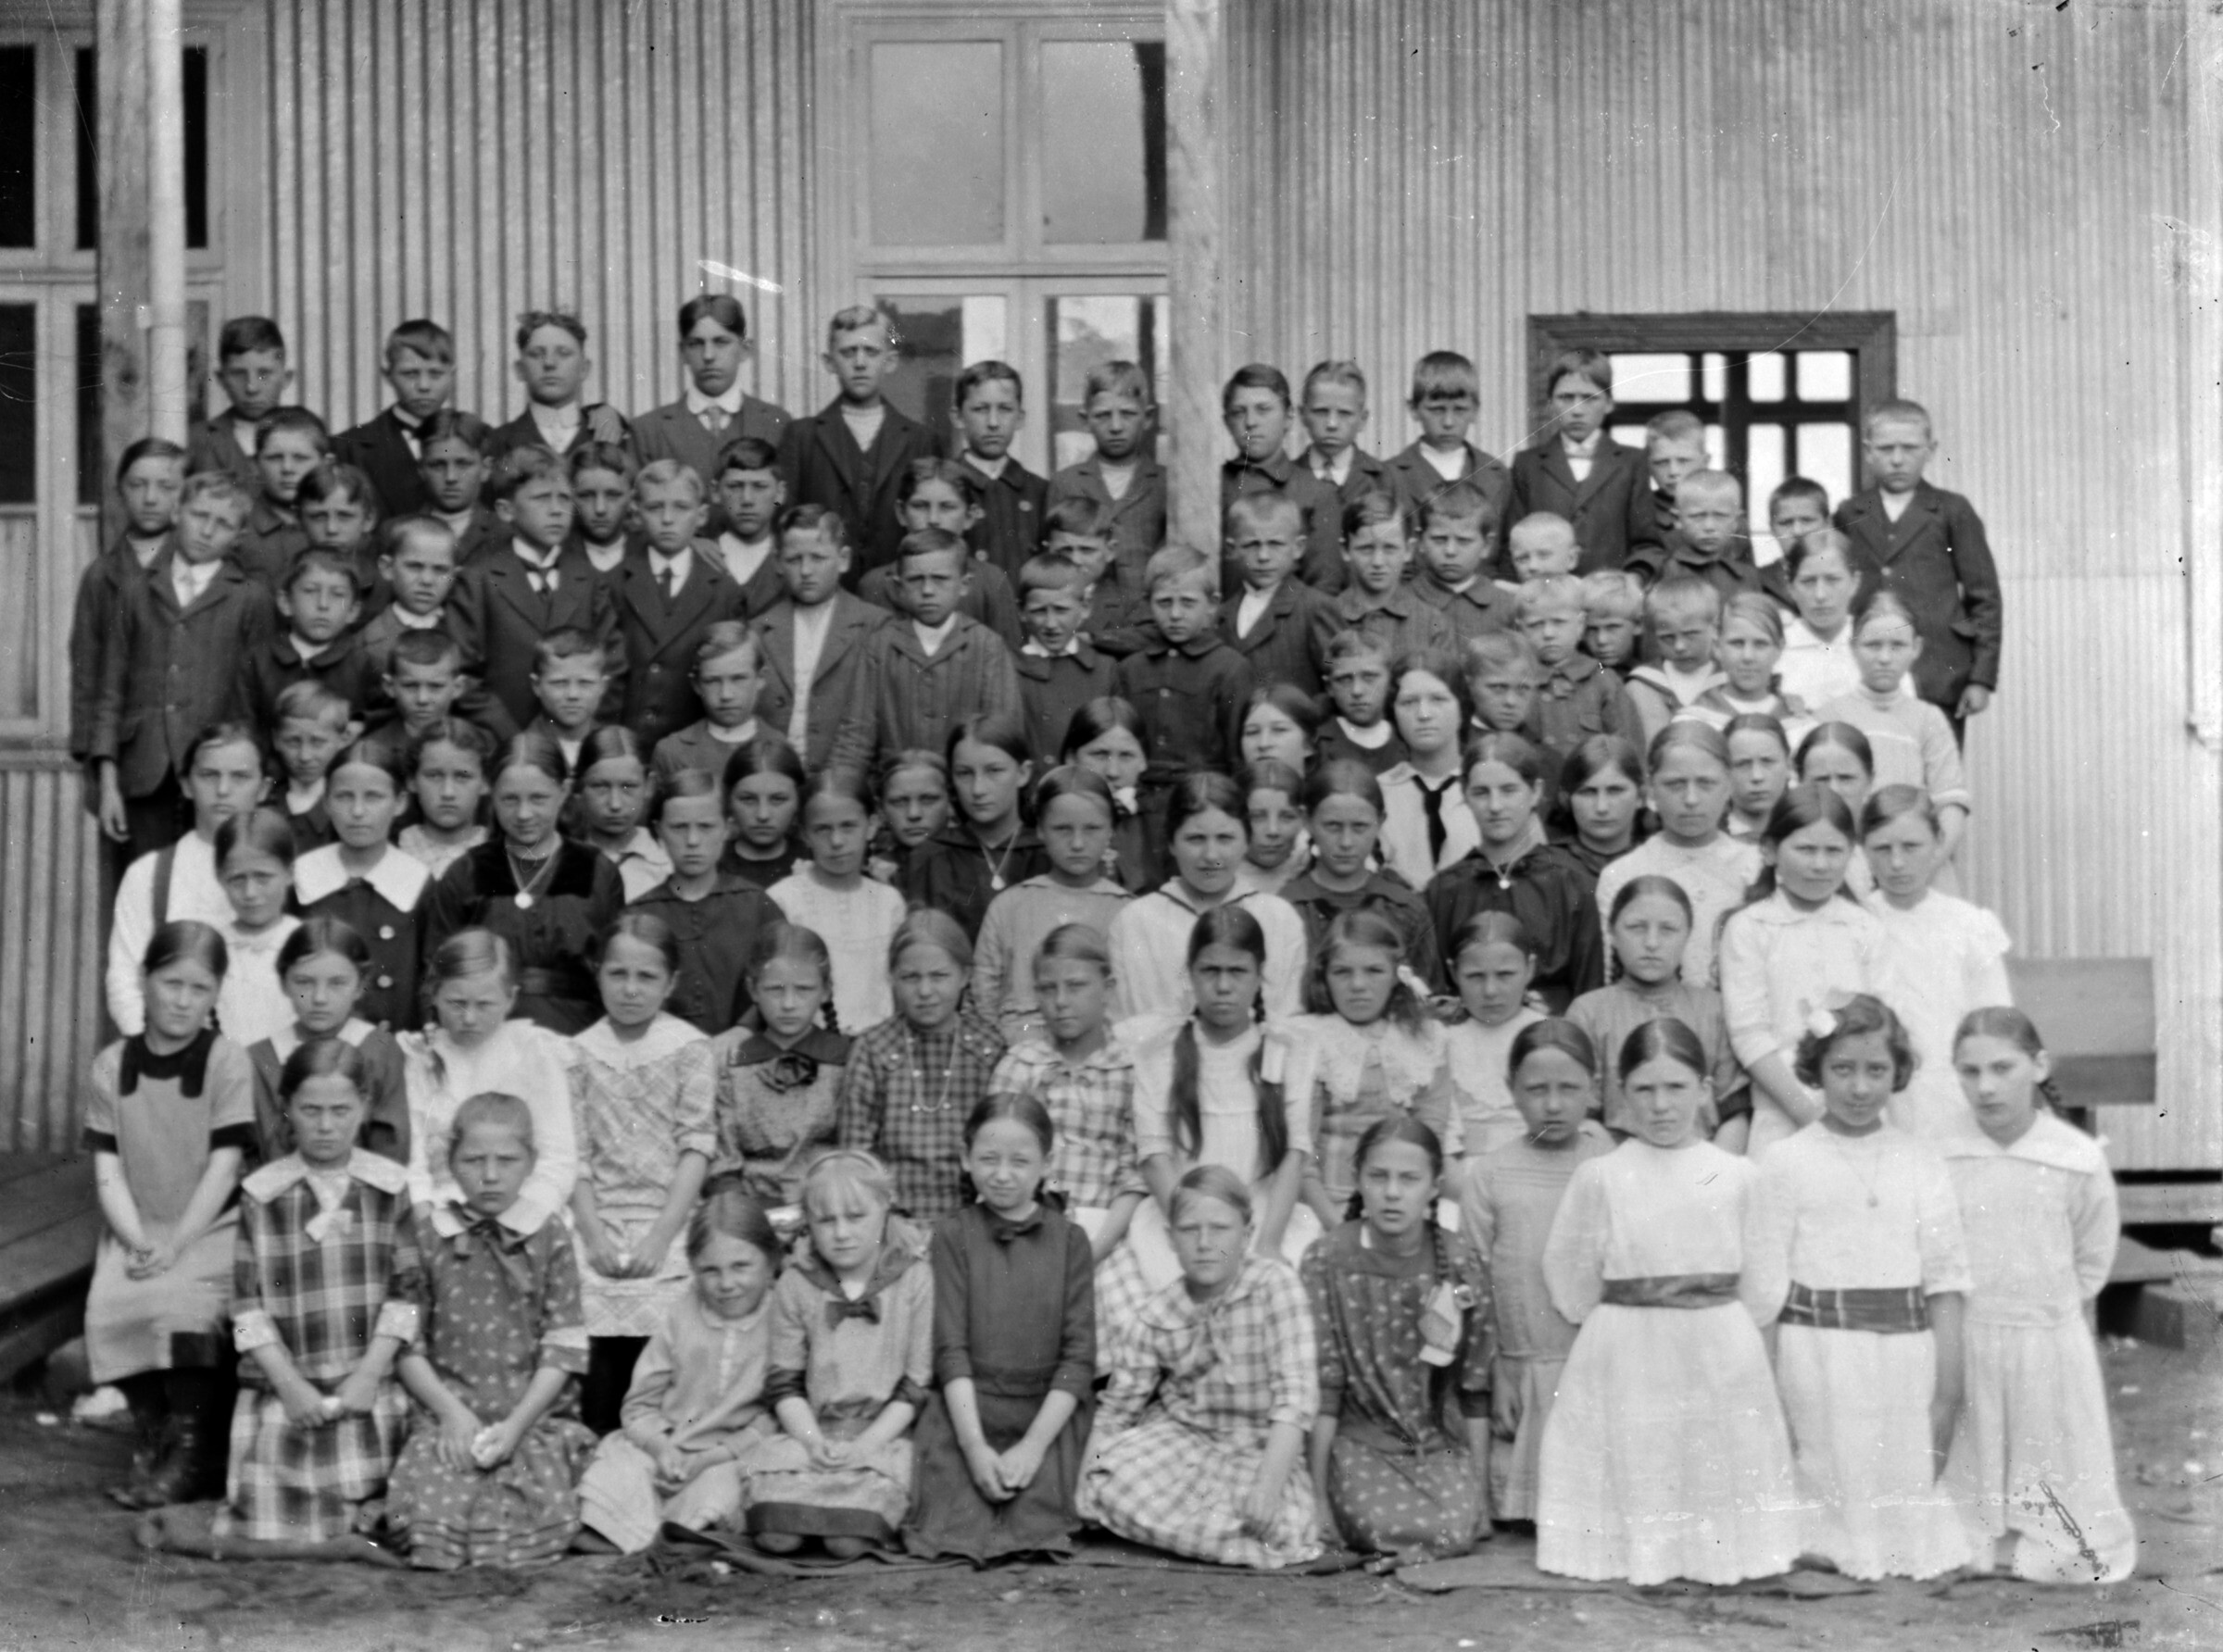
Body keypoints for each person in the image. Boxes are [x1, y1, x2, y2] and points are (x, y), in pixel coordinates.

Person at [1535, 1019, 1798, 1584]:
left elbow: (1763, 1275)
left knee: (1711, 1445)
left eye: (1676, 1087)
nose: (1660, 1105)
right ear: (1621, 1093)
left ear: (1704, 1089)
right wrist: (1614, 1317)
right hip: (1627, 1341)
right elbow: (1570, 1270)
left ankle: (1713, 1553)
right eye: (1644, 1089)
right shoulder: (1602, 1176)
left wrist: (1723, 1325)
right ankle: (1638, 1553)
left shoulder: (1737, 1175)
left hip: (1716, 1340)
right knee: (1640, 1445)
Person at [1745, 994, 1974, 1579]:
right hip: (1816, 1350)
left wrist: (1948, 1389)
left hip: (1903, 1351)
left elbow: (1945, 1278)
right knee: (1827, 1457)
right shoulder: (1786, 1160)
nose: (1859, 1087)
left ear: (1897, 1072)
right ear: (1816, 1070)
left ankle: (1893, 1544)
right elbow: (1765, 1288)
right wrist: (1766, 1386)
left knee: (1898, 1467)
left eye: (1876, 1070)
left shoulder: (1919, 1160)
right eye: (1842, 1069)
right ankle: (1829, 1542)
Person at [1942, 1008, 2137, 1583]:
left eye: (2003, 1068)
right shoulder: (1941, 1152)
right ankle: (1981, 1536)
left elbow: (2094, 1253)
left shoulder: (2074, 1156)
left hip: (2048, 1338)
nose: (1986, 1086)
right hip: (1968, 1331)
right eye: (1970, 1071)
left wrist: (2049, 1311)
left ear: (2039, 1066)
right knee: (1971, 1449)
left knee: (2051, 1450)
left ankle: (2042, 1538)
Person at [214, 1039, 421, 1546]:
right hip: (290, 1387)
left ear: (364, 1107)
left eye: (340, 1111)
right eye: (311, 1111)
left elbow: (408, 1294)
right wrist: (289, 1385)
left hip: (364, 1385)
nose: (326, 1126)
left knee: (394, 1507)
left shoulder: (389, 1188)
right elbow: (245, 1307)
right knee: (268, 1524)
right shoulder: (263, 1193)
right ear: (287, 1108)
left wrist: (368, 1375)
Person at [388, 1092, 598, 1569]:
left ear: (531, 1163)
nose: (489, 1175)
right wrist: (451, 1415)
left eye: (506, 1161)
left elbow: (562, 1348)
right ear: (450, 1163)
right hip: (450, 1414)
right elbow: (406, 1343)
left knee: (531, 1501)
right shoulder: (429, 1235)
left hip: (528, 1418)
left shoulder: (549, 1235)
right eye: (473, 1160)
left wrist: (516, 1425)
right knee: (431, 1505)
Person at [86, 921, 256, 1509]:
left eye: (199, 988)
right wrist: (136, 1240)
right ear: (144, 981)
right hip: (140, 1224)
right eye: (171, 983)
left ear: (216, 994)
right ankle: (154, 1438)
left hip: (209, 1225)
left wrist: (177, 1244)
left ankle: (192, 1451)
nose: (183, 1000)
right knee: (111, 1305)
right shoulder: (112, 1065)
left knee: (185, 1306)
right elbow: (108, 1167)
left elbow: (225, 1167)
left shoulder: (226, 1062)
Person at [1079, 1166, 1322, 1570]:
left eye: (1220, 1229)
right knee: (1108, 1475)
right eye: (1190, 1230)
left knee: (1281, 1520)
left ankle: (1204, 1532)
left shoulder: (1275, 1285)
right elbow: (1118, 1410)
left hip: (1261, 1449)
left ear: (1246, 1234)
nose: (1205, 1244)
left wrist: (1267, 1488)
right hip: (1187, 1444)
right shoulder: (1156, 1314)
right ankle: (1231, 1540)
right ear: (1170, 1238)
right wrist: (1084, 1482)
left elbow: (1296, 1397)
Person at [904, 1095, 1096, 1563]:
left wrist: (1033, 1447)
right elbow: (950, 1351)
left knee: (1036, 1522)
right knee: (956, 1521)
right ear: (965, 1158)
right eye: (989, 1159)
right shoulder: (953, 1235)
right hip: (969, 1411)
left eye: (1020, 1161)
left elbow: (1078, 1358)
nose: (1003, 1174)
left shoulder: (1071, 1241)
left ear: (1047, 1163)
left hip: (1045, 1417)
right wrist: (973, 1447)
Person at [1111, 906, 1318, 1327]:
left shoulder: (1287, 1049)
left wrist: (1268, 1242)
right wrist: (1195, 1232)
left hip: (1264, 1215)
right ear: (1190, 973)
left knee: (1278, 1288)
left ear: (1259, 975)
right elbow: (1154, 1157)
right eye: (1210, 971)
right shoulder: (1159, 1052)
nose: (1223, 986)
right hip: (1181, 1215)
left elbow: (1294, 1155)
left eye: (1237, 972)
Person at [1302, 1118, 1493, 1558]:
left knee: (1456, 1527)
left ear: (1434, 1187)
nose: (1392, 1193)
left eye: (1409, 1179)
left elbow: (1475, 1387)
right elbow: (1324, 1390)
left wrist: (1481, 1496)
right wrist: (1317, 1499)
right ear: (1358, 1180)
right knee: (1380, 1520)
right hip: (1358, 1439)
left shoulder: (1459, 1262)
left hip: (1433, 1441)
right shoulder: (1326, 1260)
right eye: (1378, 1177)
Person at [565, 914, 715, 1434]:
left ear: (671, 983)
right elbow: (574, 1153)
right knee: (591, 1324)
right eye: (618, 974)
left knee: (670, 1322)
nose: (631, 990)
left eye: (647, 977)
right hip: (597, 1217)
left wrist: (660, 1236)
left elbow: (696, 1146)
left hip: (668, 1218)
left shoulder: (689, 1048)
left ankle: (663, 1442)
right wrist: (593, 1233)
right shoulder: (577, 1052)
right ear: (598, 974)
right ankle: (598, 1441)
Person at [743, 1149, 934, 1557]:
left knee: (846, 1540)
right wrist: (813, 1442)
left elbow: (917, 1385)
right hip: (812, 1432)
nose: (841, 1233)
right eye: (826, 1221)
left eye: (856, 1216)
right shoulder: (797, 1283)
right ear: (807, 1223)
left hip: (884, 1435)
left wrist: (865, 1446)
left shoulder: (914, 1279)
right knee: (776, 1534)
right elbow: (784, 1383)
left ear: (885, 1207)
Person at [1459, 1020, 1614, 1522]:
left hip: (1595, 1360)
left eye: (1569, 1088)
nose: (1553, 1105)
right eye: (1536, 1090)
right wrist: (1496, 1370)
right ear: (1511, 1090)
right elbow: (1474, 1280)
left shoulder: (1610, 1165)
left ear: (1593, 1087)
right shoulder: (1490, 1174)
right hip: (1519, 1361)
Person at [575, 1189, 783, 1554]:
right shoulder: (680, 1317)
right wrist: (661, 1448)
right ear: (693, 1268)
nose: (726, 1284)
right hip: (669, 1447)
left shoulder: (783, 1320)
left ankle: (673, 1538)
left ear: (770, 1262)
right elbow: (639, 1407)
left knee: (728, 1488)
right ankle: (638, 1538)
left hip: (731, 1455)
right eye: (710, 1270)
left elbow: (776, 1415)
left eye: (741, 1266)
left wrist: (711, 1458)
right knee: (616, 1469)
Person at [93, 474, 272, 860]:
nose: (207, 531)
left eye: (223, 524)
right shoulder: (135, 590)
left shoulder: (250, 598)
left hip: (219, 774)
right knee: (146, 878)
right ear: (176, 512)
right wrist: (108, 785)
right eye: (199, 515)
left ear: (239, 536)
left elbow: (254, 695)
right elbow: (110, 692)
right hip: (144, 773)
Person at [1716, 786, 1885, 1156]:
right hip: (1782, 1115)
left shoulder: (1864, 928)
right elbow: (1749, 1035)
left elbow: (1882, 1025)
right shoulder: (1750, 928)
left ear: (1851, 853)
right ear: (1770, 850)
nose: (1820, 864)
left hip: (1859, 1109)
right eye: (1806, 849)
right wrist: (1810, 1117)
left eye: (1834, 851)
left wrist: (1851, 1110)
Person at [425, 732, 623, 1035]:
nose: (523, 814)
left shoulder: (597, 870)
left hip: (577, 1034)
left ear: (564, 791)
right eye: (510, 799)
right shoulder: (467, 873)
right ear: (491, 793)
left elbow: (618, 966)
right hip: (485, 1034)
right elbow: (435, 970)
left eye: (538, 798)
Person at [1831, 399, 2003, 733]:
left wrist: (1981, 678)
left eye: (1909, 448)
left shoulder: (1952, 510)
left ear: (1931, 450)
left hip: (1938, 674)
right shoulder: (1850, 512)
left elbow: (1985, 599)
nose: (1897, 459)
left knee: (1934, 758)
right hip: (1867, 673)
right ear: (1868, 452)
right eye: (1886, 449)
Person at [986, 923, 1147, 1279]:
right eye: (1048, 989)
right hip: (1024, 1230)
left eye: (1076, 986)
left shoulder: (1130, 1071)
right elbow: (995, 1161)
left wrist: (1093, 1252)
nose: (1060, 1001)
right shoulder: (1021, 1065)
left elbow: (1135, 1178)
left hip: (1109, 1239)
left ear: (1108, 989)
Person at [399, 929, 578, 1233]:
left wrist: (519, 1223)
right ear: (434, 995)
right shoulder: (418, 1058)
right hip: (441, 1215)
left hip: (525, 1215)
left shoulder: (533, 1052)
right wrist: (430, 1225)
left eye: (484, 1005)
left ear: (511, 999)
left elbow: (557, 1157)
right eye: (456, 1003)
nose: (469, 1018)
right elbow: (413, 1163)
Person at [1861, 786, 2013, 1142]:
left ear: (1938, 842)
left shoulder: (1968, 925)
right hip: (1877, 1095)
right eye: (1882, 849)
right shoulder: (1856, 924)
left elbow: (1994, 1021)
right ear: (1863, 849)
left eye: (1911, 847)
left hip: (1956, 1093)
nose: (1897, 863)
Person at [837, 909, 1008, 1225]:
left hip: (974, 1221)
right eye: (911, 977)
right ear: (892, 978)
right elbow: (857, 1157)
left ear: (965, 976)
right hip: (891, 1220)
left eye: (939, 976)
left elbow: (1001, 1151)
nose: (925, 991)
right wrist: (889, 1221)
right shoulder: (873, 1050)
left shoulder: (989, 1049)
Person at [1288, 910, 1457, 1226]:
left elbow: (1431, 1135)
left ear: (1397, 975)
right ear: (1324, 975)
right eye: (1342, 972)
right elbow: (1299, 1153)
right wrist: (1337, 1227)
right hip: (1327, 1204)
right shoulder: (1309, 1038)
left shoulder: (1426, 1038)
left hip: (1404, 1202)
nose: (1358, 985)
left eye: (1374, 971)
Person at [105, 723, 271, 1033]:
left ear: (263, 789)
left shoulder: (286, 876)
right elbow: (125, 981)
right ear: (186, 785)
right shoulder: (149, 874)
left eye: (240, 777)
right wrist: (162, 1050)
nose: (223, 790)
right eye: (209, 775)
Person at [1425, 732, 1603, 1013]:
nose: (1495, 806)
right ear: (1464, 794)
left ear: (1536, 792)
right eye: (1481, 792)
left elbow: (1592, 993)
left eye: (1509, 790)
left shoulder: (1573, 884)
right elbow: (1433, 995)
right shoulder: (1444, 891)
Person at [1107, 772, 1310, 1020]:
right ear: (1171, 843)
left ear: (1246, 841)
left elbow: (1289, 1019)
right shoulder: (1136, 921)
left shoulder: (1279, 918)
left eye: (1225, 838)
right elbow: (1122, 1022)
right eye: (1195, 839)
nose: (1211, 855)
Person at [447, 444, 620, 732]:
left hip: (576, 740)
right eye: (541, 498)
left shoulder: (589, 580)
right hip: (500, 740)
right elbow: (461, 673)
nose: (556, 510)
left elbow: (613, 668)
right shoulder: (478, 580)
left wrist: (581, 734)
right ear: (506, 510)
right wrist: (511, 737)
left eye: (564, 498)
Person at [1568, 876, 1743, 1139]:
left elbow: (1735, 1111)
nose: (1651, 942)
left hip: (1703, 1155)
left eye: (1668, 929)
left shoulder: (1715, 1009)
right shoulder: (1588, 1012)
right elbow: (1583, 1116)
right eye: (1636, 927)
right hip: (1617, 1156)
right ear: (1613, 933)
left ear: (1687, 935)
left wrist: (1713, 1164)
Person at [778, 306, 943, 576]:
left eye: (871, 352)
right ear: (829, 362)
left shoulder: (920, 439)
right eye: (848, 352)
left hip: (900, 584)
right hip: (825, 584)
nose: (860, 363)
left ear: (890, 361)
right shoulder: (801, 436)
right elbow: (785, 519)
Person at [1593, 722, 1758, 990]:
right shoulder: (1623, 874)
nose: (1691, 799)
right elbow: (1609, 976)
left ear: (1729, 785)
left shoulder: (1755, 866)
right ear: (1650, 788)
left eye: (1705, 783)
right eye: (1675, 784)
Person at [971, 769, 1129, 1044]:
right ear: (1041, 830)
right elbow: (983, 996)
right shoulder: (1011, 906)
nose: (1077, 843)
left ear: (1111, 830)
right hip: (1020, 1048)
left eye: (1092, 829)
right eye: (1062, 829)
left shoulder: (1127, 911)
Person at [608, 458, 751, 751]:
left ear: (701, 516)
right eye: (654, 507)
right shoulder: (613, 583)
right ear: (636, 513)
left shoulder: (725, 591)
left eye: (681, 507)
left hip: (693, 749)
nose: (667, 519)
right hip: (626, 745)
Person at [1820, 591, 1973, 864]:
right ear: (1853, 646)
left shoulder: (1928, 719)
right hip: (1848, 859)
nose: (1884, 658)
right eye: (1873, 645)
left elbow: (1950, 802)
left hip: (1913, 862)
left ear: (1916, 648)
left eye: (1897, 645)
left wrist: (1929, 864)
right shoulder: (1831, 716)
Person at [244, 918, 410, 1165]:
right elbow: (259, 1151)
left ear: (360, 986)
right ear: (284, 983)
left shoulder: (379, 1049)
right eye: (304, 982)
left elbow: (391, 1146)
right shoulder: (261, 1058)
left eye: (337, 983)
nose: (319, 998)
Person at [708, 921, 851, 1208]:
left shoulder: (845, 1061)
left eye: (803, 990)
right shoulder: (734, 1068)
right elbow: (724, 1163)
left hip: (827, 1208)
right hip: (751, 1212)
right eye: (775, 990)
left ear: (825, 990)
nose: (788, 1004)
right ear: (753, 989)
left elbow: (854, 1151)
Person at [1112, 544, 1254, 832]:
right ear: (1148, 603)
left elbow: (1238, 755)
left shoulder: (1230, 668)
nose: (1175, 614)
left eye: (1188, 603)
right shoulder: (1131, 669)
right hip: (1138, 806)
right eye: (1164, 603)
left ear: (1212, 604)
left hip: (1204, 804)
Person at [631, 770, 784, 1035]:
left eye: (706, 827)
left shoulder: (757, 905)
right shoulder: (640, 915)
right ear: (658, 831)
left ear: (727, 828)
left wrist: (744, 1029)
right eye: (679, 828)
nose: (692, 841)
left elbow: (784, 980)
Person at [70, 438, 187, 781]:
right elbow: (86, 672)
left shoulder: (197, 567)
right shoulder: (101, 575)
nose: (150, 498)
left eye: (166, 487)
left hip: (192, 749)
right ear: (120, 491)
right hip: (127, 752)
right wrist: (91, 757)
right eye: (137, 485)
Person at [295, 735, 430, 1031]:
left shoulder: (417, 881)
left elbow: (430, 977)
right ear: (326, 802)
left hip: (392, 1041)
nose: (357, 811)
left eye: (373, 797)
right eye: (344, 797)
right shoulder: (303, 877)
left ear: (400, 803)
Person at [749, 504, 892, 774]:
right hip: (774, 776)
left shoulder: (875, 626)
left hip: (845, 777)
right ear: (777, 562)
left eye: (818, 558)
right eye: (794, 559)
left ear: (844, 559)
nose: (805, 571)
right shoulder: (759, 629)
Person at [1280, 760, 1445, 990]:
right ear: (1308, 821)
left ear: (1380, 822)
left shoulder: (1406, 909)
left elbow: (1427, 995)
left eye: (1359, 827)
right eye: (1333, 826)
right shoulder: (1285, 909)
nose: (1346, 842)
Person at [769, 768, 909, 1031]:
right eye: (823, 829)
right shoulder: (784, 899)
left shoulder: (888, 901)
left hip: (878, 1044)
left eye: (848, 826)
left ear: (872, 825)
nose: (836, 841)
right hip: (808, 1042)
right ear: (805, 833)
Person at [1508, 348, 1657, 574]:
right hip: (1546, 589)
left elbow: (1647, 543)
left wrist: (1633, 580)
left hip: (1610, 591)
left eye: (1589, 398)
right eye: (1566, 398)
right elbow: (1512, 541)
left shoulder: (1632, 462)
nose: (1577, 410)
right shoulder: (1527, 464)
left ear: (1609, 403)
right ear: (1550, 404)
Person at [899, 713, 1048, 939]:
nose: (978, 789)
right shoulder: (931, 857)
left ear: (1023, 773)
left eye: (994, 771)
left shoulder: (1046, 852)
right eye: (964, 773)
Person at [632, 293, 793, 499]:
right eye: (696, 343)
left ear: (745, 349)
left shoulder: (776, 423)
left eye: (721, 342)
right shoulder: (648, 431)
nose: (708, 356)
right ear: (683, 352)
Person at [1045, 359, 1167, 597]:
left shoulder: (1165, 483)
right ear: (1085, 420)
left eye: (1128, 414)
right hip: (1084, 610)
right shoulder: (1066, 483)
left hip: (1147, 611)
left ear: (1148, 417)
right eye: (1102, 415)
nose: (1116, 426)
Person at [1218, 364, 1342, 592]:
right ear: (1227, 421)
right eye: (1239, 412)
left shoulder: (1316, 493)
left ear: (1288, 417)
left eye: (1263, 409)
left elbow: (1325, 585)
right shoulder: (1212, 487)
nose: (1250, 422)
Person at [1382, 351, 1512, 557]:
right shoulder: (1390, 475)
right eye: (1436, 410)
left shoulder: (1496, 473)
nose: (1448, 422)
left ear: (1475, 411)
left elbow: (1506, 549)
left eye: (1459, 409)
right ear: (1414, 409)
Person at [333, 319, 459, 519]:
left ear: (452, 374)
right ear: (388, 375)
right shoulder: (349, 447)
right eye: (410, 374)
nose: (424, 386)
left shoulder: (481, 440)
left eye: (435, 373)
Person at [1440, 913, 1544, 1157]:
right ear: (1454, 972)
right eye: (1475, 976)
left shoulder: (1545, 1036)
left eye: (1505, 975)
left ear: (1529, 969)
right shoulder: (1444, 1040)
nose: (1490, 990)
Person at [1218, 491, 1338, 697]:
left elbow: (1340, 678)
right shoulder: (1222, 615)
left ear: (1298, 547)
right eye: (1251, 544)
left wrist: (1303, 712)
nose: (1263, 556)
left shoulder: (1314, 608)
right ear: (1231, 549)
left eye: (1275, 544)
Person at [1517, 574, 1644, 767]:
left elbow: (1629, 745)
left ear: (1580, 625)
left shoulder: (1604, 679)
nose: (1548, 634)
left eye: (1559, 622)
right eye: (1535, 625)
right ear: (1520, 629)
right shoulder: (1517, 680)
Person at [1376, 649, 1476, 885]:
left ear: (1462, 708)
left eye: (1438, 699)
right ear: (1393, 712)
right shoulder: (1378, 792)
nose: (1423, 714)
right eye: (1409, 702)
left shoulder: (1489, 786)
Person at [485, 308, 633, 464]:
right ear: (520, 369)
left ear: (584, 368)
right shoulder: (498, 441)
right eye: (536, 354)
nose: (549, 363)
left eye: (564, 353)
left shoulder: (611, 433)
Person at [211, 807, 305, 1051]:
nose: (250, 893)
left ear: (289, 874)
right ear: (220, 877)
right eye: (237, 879)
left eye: (263, 878)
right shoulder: (211, 947)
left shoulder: (306, 942)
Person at [1011, 554, 1119, 764]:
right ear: (1021, 611)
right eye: (1039, 611)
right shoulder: (1009, 666)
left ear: (1085, 608)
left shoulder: (1104, 669)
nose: (1051, 624)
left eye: (1061, 610)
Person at [1677, 592, 1816, 752]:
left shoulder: (1801, 726)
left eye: (1760, 644)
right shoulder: (1692, 724)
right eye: (1737, 643)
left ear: (1779, 648)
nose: (1748, 656)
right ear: (1717, 647)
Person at [948, 359, 1049, 582]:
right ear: (958, 417)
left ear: (1020, 418)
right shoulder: (945, 488)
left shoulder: (1040, 491)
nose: (993, 422)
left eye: (1005, 409)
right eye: (980, 409)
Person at [1334, 491, 1458, 663]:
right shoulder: (1328, 617)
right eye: (1366, 549)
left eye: (1390, 548)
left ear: (1408, 550)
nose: (1378, 562)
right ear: (1345, 550)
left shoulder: (1433, 624)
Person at [1626, 469, 1765, 604]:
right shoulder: (1664, 571)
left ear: (1736, 521)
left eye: (1720, 516)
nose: (1709, 526)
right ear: (1677, 519)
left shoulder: (1748, 576)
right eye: (1697, 516)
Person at [651, 623, 766, 785]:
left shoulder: (780, 744)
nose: (726, 695)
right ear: (697, 684)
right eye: (712, 681)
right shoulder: (672, 752)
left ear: (760, 678)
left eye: (738, 679)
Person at [1061, 696, 1154, 892]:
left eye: (1126, 755)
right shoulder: (1051, 822)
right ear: (1071, 758)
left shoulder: (1158, 825)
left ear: (1143, 761)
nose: (1113, 772)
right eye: (1100, 755)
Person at [1622, 575, 1727, 745]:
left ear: (1715, 628)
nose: (1679, 646)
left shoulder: (1730, 682)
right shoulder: (1641, 686)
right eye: (1667, 637)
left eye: (1690, 634)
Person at [190, 316, 292, 491]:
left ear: (286, 378)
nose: (251, 387)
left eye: (264, 374)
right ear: (221, 379)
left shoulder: (307, 437)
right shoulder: (197, 439)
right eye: (238, 374)